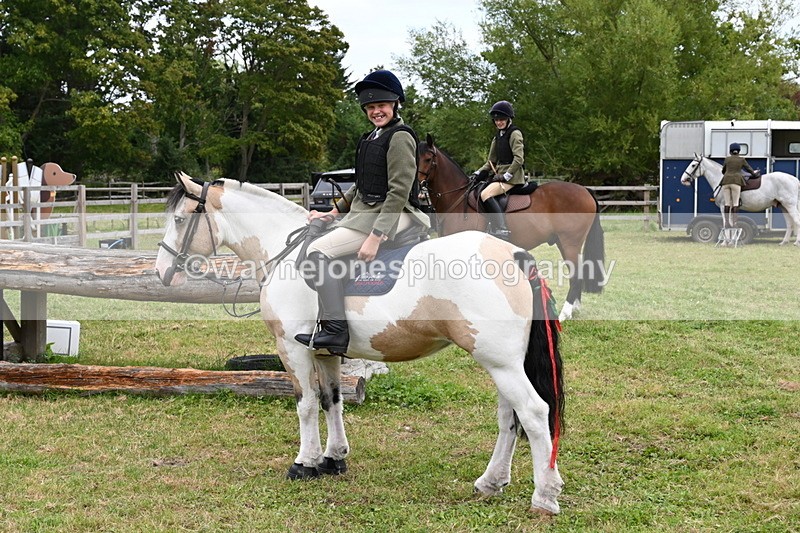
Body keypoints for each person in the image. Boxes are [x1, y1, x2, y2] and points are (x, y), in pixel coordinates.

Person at [294, 69, 430, 354]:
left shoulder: (401, 137)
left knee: (316, 252)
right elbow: (360, 186)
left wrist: (376, 236)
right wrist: (331, 213)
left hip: (396, 212)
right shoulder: (371, 137)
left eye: (381, 106)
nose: (375, 111)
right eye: (370, 107)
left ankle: (334, 330)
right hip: (367, 211)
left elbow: (399, 191)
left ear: (394, 105)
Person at [471, 100, 525, 240]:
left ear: (508, 119)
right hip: (499, 174)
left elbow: (519, 159)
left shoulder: (515, 134)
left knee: (486, 194)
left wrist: (506, 176)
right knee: (478, 189)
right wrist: (478, 173)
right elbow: (490, 162)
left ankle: (502, 229)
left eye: (501, 119)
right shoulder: (497, 137)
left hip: (513, 176)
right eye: (496, 120)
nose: (499, 122)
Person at [720, 142, 756, 234]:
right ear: (739, 150)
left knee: (727, 203)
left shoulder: (727, 159)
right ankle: (734, 223)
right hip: (736, 181)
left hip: (726, 181)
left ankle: (727, 223)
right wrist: (754, 174)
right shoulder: (742, 159)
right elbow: (748, 168)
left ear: (730, 151)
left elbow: (723, 171)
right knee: (735, 203)